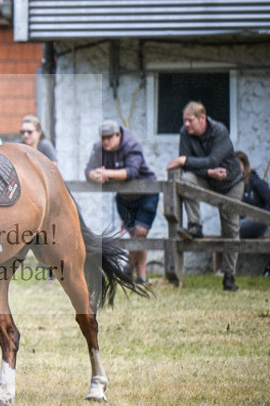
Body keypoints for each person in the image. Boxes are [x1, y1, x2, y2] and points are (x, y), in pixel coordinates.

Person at [165, 102, 245, 292]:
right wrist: (207, 170)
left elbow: (212, 159)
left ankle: (228, 276)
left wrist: (185, 159)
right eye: (184, 120)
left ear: (202, 118)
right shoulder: (185, 133)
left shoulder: (219, 131)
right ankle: (195, 225)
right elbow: (190, 168)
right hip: (209, 177)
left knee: (231, 228)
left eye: (190, 120)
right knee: (187, 179)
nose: (186, 124)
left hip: (231, 182)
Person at [84, 120, 158, 284]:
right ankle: (140, 276)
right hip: (124, 198)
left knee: (141, 233)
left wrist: (106, 173)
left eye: (109, 137)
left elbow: (132, 172)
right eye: (103, 137)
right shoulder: (98, 148)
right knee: (134, 235)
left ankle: (130, 267)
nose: (105, 141)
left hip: (147, 193)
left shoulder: (132, 146)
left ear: (118, 135)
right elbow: (88, 170)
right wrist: (94, 175)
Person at [237, 151, 270, 238]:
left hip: (257, 221)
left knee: (234, 229)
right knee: (229, 228)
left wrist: (256, 215)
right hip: (243, 222)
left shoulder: (256, 183)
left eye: (238, 165)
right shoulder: (238, 185)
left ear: (244, 165)